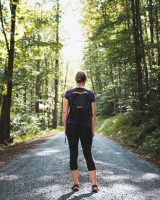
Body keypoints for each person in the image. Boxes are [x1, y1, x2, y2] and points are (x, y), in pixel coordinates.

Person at [62, 71, 99, 193]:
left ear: (76, 80)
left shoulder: (68, 93)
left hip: (72, 126)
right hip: (86, 127)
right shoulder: (90, 94)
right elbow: (93, 114)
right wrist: (92, 130)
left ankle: (76, 184)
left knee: (73, 154)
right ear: (85, 80)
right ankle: (94, 185)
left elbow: (64, 112)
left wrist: (65, 128)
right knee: (88, 155)